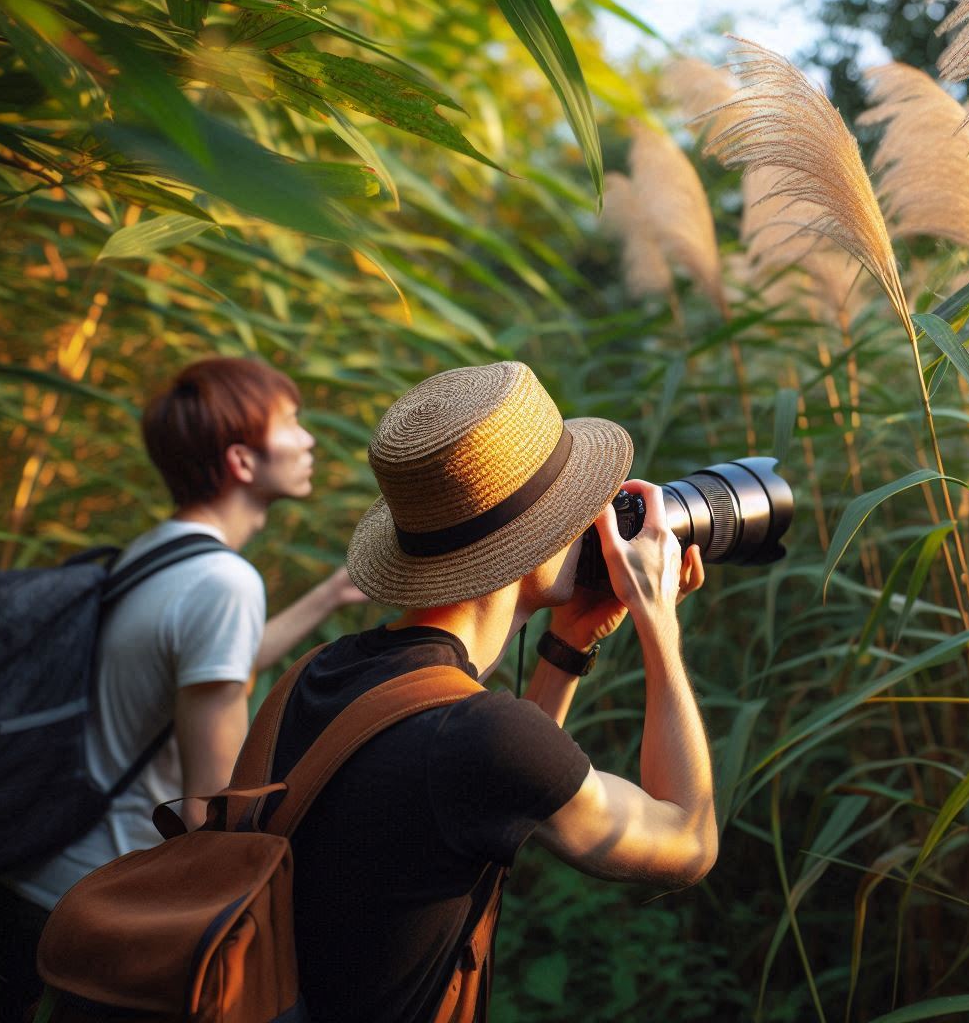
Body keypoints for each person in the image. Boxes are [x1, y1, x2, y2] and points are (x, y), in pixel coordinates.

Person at [263, 361, 716, 1021]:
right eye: (578, 504)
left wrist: (566, 648)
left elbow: (493, 785)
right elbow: (689, 841)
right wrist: (658, 625)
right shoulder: (480, 736)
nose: (595, 520)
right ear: (536, 542)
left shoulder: (314, 677)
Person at [0, 357, 369, 1022]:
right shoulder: (223, 582)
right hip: (109, 910)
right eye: (292, 423)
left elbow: (205, 671)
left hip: (35, 884)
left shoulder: (156, 553)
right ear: (241, 463)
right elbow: (210, 810)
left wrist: (330, 595)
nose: (309, 440)